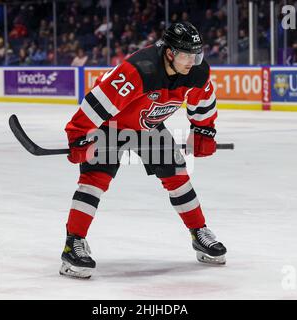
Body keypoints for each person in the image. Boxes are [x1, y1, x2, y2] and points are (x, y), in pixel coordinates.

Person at [60, 22, 227, 279]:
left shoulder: (195, 71)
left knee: (178, 176)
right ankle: (74, 244)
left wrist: (204, 129)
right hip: (109, 124)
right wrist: (79, 136)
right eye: (187, 55)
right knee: (94, 181)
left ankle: (199, 233)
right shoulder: (139, 70)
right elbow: (98, 101)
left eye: (197, 54)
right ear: (170, 53)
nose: (193, 61)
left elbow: (203, 101)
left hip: (148, 126)